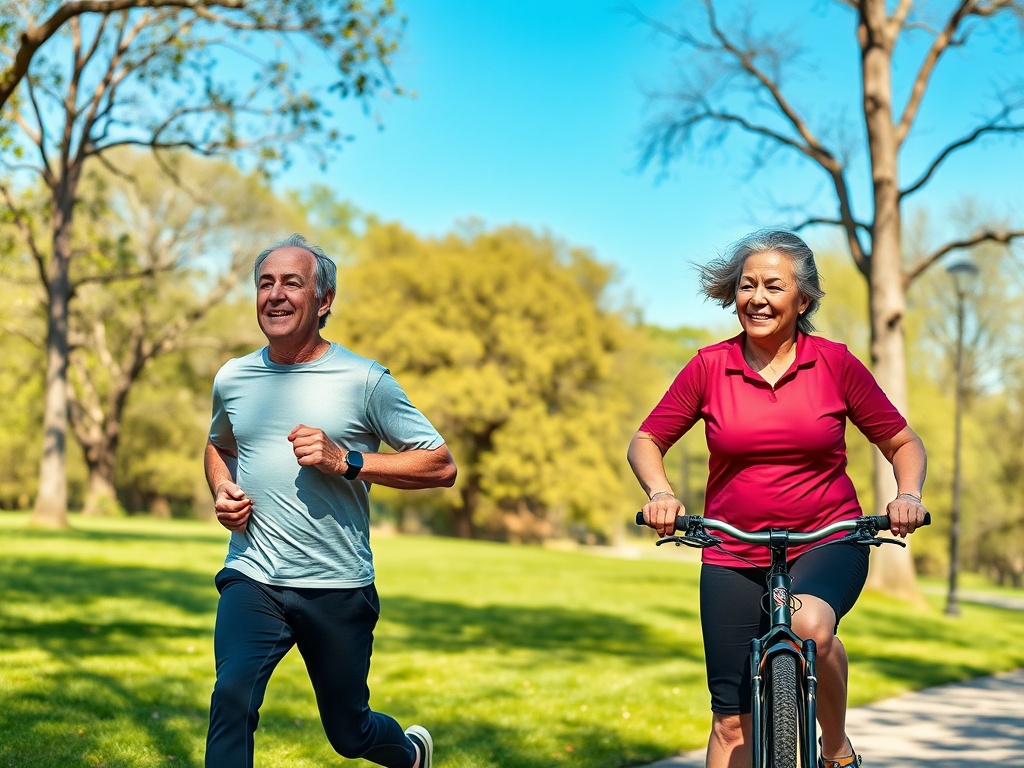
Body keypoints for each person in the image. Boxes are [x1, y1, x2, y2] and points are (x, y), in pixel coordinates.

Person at [627, 229, 928, 768]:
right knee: (729, 722)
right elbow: (646, 439)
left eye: (773, 285)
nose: (757, 298)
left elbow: (902, 442)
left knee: (811, 623)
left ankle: (834, 747)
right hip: (731, 548)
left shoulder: (835, 364)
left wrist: (907, 493)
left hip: (827, 539)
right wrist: (661, 493)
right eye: (747, 286)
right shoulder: (709, 366)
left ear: (803, 299)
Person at [204, 233, 457, 768]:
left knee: (349, 732)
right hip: (255, 575)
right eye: (265, 283)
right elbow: (219, 445)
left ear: (324, 301)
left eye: (292, 283)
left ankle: (409, 755)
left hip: (337, 586)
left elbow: (440, 464)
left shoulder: (365, 380)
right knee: (231, 698)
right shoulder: (234, 376)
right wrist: (222, 489)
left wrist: (350, 461)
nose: (275, 294)